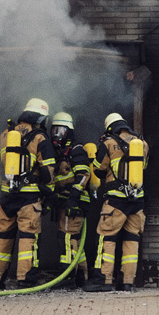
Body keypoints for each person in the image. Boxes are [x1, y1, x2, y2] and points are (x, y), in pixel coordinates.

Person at [0, 98, 56, 291]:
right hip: (29, 198)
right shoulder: (40, 138)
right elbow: (48, 170)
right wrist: (48, 191)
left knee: (3, 237)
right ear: (41, 118)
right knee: (28, 238)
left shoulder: (5, 135)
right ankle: (25, 281)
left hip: (6, 197)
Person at [82, 113, 149, 293]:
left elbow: (98, 169)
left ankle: (102, 280)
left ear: (109, 128)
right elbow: (143, 167)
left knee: (106, 238)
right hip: (137, 201)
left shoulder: (108, 143)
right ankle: (127, 282)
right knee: (131, 240)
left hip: (116, 201)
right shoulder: (142, 143)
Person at [49, 111, 93, 288]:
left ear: (68, 132)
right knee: (75, 240)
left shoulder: (76, 150)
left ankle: (67, 276)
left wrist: (73, 199)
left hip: (74, 202)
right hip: (65, 202)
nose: (56, 135)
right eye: (54, 130)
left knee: (66, 238)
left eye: (60, 131)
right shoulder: (61, 154)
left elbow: (84, 175)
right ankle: (81, 276)